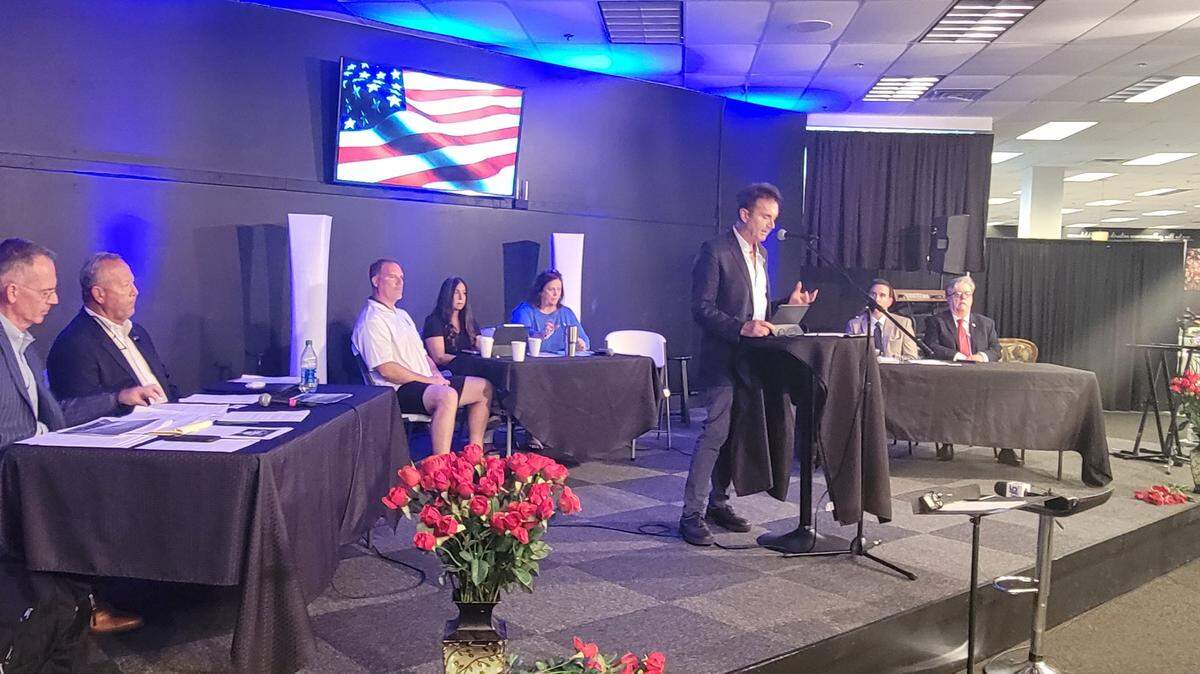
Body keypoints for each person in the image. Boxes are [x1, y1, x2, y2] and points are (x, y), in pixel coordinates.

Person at [0, 238, 146, 634]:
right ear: (12, 292)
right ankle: (78, 609)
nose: (55, 300)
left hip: (38, 467)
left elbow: (53, 416)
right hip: (18, 477)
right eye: (46, 291)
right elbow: (13, 434)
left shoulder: (24, 347)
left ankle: (79, 607)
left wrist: (115, 401)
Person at [681, 183, 819, 546]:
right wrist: (740, 327)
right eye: (765, 217)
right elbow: (701, 307)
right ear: (745, 214)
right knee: (715, 434)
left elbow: (756, 310)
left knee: (735, 436)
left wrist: (786, 305)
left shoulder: (762, 255)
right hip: (721, 360)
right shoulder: (715, 250)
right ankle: (690, 514)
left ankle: (718, 503)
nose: (771, 225)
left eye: (774, 218)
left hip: (751, 361)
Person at [351, 259, 493, 454]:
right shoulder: (372, 320)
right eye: (392, 277)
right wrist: (429, 380)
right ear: (376, 281)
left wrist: (436, 375)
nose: (400, 282)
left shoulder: (402, 315)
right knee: (447, 396)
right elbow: (387, 369)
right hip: (396, 390)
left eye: (402, 278)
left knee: (483, 387)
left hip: (425, 381)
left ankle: (474, 454)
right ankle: (441, 463)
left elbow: (424, 355)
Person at [47, 253, 177, 415]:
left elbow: (167, 386)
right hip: (132, 427)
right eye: (126, 285)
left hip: (171, 419)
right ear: (99, 294)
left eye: (133, 283)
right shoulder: (74, 343)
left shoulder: (139, 332)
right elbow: (75, 411)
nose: (135, 291)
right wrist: (120, 398)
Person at [922, 275, 1016, 465]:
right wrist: (957, 356)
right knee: (946, 398)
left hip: (982, 379)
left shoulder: (986, 323)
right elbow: (930, 346)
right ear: (948, 298)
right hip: (951, 379)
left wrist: (981, 356)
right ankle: (946, 443)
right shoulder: (936, 321)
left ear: (972, 297)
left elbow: (996, 349)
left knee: (1004, 400)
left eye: (967, 294)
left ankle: (1006, 448)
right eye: (957, 294)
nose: (962, 298)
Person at [510, 270, 589, 355]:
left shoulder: (567, 313)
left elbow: (585, 342)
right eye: (551, 289)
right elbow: (521, 339)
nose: (556, 293)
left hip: (563, 361)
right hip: (534, 361)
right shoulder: (524, 311)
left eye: (559, 289)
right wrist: (540, 335)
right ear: (540, 292)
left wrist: (581, 344)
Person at [844, 279, 919, 360]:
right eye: (873, 294)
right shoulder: (854, 325)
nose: (876, 299)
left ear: (890, 301)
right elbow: (849, 358)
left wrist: (890, 360)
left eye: (882, 295)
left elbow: (911, 356)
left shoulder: (903, 323)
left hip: (892, 367)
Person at [422, 277, 480, 367]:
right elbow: (439, 358)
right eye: (456, 292)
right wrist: (466, 360)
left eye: (464, 293)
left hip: (469, 367)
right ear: (447, 295)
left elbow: (480, 346)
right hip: (447, 370)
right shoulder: (434, 321)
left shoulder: (469, 321)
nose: (461, 297)